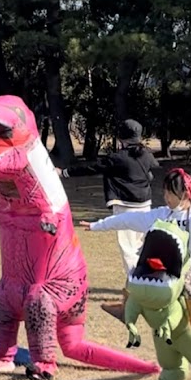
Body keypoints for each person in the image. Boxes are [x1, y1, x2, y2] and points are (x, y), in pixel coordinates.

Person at [83, 168, 191, 337]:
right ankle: (125, 310)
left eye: (170, 193)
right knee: (135, 275)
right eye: (165, 192)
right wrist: (97, 225)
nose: (166, 197)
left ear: (185, 194)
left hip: (188, 268)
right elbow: (127, 219)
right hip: (162, 266)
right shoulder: (161, 214)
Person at [60, 119, 159, 318]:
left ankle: (138, 293)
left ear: (121, 138)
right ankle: (147, 287)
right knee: (141, 250)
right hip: (146, 206)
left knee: (128, 251)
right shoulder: (146, 155)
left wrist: (65, 172)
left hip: (125, 207)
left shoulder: (117, 158)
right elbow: (152, 171)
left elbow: (92, 168)